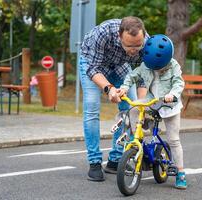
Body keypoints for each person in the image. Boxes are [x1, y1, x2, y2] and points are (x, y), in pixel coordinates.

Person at [79, 16, 148, 182]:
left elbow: (143, 75)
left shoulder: (147, 43)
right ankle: (94, 162)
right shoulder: (103, 34)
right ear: (119, 37)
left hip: (120, 65)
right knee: (92, 108)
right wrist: (109, 89)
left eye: (138, 46)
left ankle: (115, 160)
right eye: (129, 46)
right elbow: (93, 68)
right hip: (93, 64)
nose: (134, 50)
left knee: (130, 110)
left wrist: (141, 104)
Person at [118, 34, 187, 189]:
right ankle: (138, 139)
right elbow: (132, 76)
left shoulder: (174, 65)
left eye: (159, 67)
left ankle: (181, 173)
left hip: (170, 106)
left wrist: (173, 95)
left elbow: (178, 82)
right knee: (134, 109)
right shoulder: (145, 65)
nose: (155, 69)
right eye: (153, 67)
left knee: (173, 139)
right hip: (152, 102)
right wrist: (124, 87)